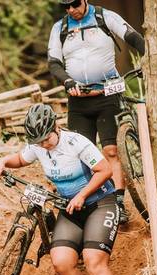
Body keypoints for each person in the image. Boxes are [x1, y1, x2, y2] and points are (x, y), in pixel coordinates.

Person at [0, 104, 123, 275]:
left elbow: (105, 170)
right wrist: (3, 161)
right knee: (60, 262)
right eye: (38, 142)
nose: (44, 145)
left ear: (56, 127)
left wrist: (82, 195)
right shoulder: (38, 145)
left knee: (93, 261)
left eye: (47, 139)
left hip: (100, 203)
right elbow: (20, 159)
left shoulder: (76, 143)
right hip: (70, 209)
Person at [47, 0, 145, 225]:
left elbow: (133, 36)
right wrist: (67, 80)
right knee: (81, 156)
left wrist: (147, 58)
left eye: (74, 4)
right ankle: (91, 203)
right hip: (78, 101)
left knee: (111, 151)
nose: (71, 10)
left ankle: (118, 202)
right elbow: (53, 63)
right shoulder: (60, 28)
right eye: (66, 7)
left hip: (107, 94)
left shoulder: (104, 17)